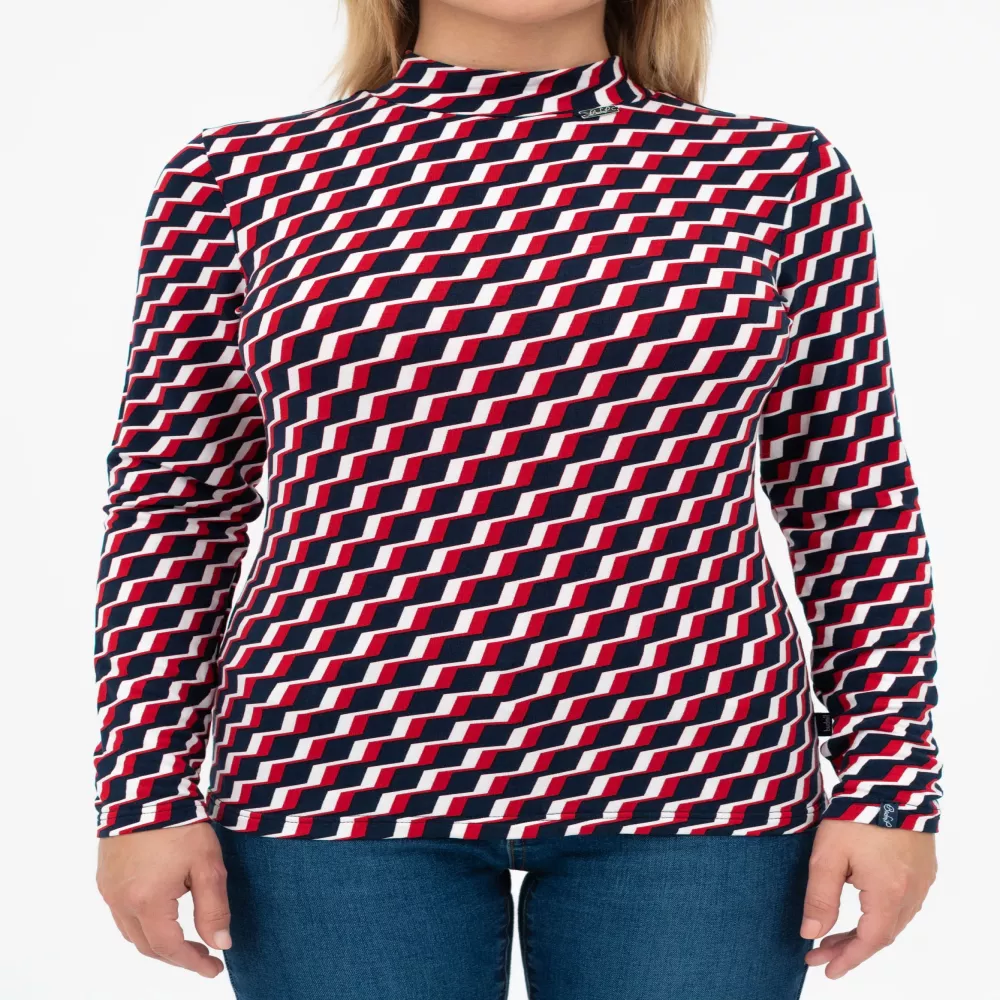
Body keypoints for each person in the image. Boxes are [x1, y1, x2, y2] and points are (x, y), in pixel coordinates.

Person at [92, 1, 941, 997]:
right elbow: (175, 503)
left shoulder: (780, 178)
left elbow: (850, 498)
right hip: (328, 773)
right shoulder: (242, 181)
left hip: (705, 775)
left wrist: (891, 782)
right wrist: (144, 791)